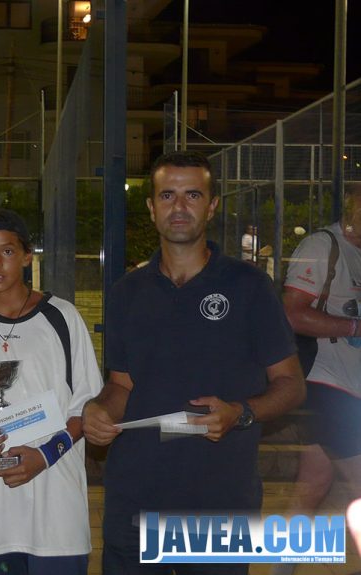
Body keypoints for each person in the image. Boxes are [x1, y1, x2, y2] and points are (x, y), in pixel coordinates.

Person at [82, 150, 305, 575]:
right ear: (151, 208)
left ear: (212, 205)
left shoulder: (250, 287)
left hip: (220, 499)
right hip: (136, 497)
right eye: (167, 196)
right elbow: (122, 385)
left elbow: (291, 384)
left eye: (192, 195)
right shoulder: (127, 293)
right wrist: (99, 413)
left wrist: (241, 413)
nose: (179, 207)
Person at [0, 208, 103, 575]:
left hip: (57, 514)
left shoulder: (64, 318)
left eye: (7, 251)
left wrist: (45, 455)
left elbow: (86, 407)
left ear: (27, 256)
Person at [276, 184, 361, 575]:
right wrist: (353, 326)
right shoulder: (320, 246)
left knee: (312, 485)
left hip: (349, 387)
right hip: (325, 385)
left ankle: (281, 568)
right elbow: (291, 314)